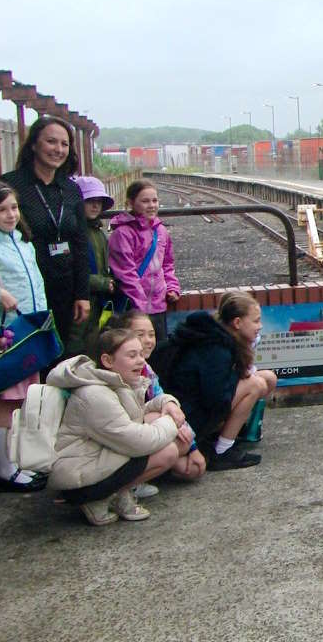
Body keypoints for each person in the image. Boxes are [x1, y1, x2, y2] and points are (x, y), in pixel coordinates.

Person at [47, 328, 189, 526]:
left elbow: (137, 414)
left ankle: (117, 494)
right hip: (79, 482)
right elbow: (137, 442)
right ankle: (98, 498)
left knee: (159, 421)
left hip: (94, 462)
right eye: (132, 355)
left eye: (141, 354)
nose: (140, 360)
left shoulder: (114, 382)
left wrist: (167, 403)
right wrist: (172, 422)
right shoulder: (95, 394)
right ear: (108, 361)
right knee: (168, 451)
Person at [0, 182, 49, 494]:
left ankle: (17, 464)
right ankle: (4, 471)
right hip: (5, 334)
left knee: (22, 400)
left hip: (29, 330)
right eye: (1, 209)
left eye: (14, 208)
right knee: (5, 402)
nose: (10, 215)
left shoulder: (23, 241)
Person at [152, 292, 276, 471]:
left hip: (197, 405)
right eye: (256, 321)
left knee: (267, 378)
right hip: (189, 416)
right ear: (237, 323)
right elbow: (216, 399)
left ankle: (228, 434)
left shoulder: (221, 337)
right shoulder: (216, 348)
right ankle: (222, 451)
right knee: (255, 384)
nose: (260, 326)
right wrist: (239, 376)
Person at [0, 117, 90, 359]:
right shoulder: (11, 185)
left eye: (64, 144)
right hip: (26, 289)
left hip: (65, 288)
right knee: (26, 361)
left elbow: (81, 244)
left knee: (59, 358)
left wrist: (82, 293)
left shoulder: (71, 189)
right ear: (33, 145)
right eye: (51, 142)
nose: (58, 150)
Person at [104, 310, 206, 482]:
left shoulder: (146, 369)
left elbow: (161, 397)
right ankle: (124, 485)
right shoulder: (114, 371)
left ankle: (142, 475)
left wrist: (193, 447)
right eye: (140, 335)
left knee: (191, 467)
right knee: (159, 421)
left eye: (151, 334)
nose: (148, 340)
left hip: (138, 435)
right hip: (116, 442)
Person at [108, 180, 179, 343]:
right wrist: (141, 306)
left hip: (159, 305)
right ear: (131, 203)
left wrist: (172, 287)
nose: (151, 205)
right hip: (134, 309)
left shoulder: (161, 231)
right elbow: (126, 274)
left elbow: (167, 264)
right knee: (135, 353)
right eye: (145, 201)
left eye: (155, 200)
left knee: (159, 353)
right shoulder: (123, 234)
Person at [65, 175, 116, 359]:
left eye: (98, 202)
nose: (95, 206)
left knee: (92, 344)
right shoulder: (72, 232)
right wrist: (102, 283)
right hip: (77, 302)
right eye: (89, 201)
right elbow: (69, 270)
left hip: (96, 303)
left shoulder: (98, 233)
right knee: (74, 348)